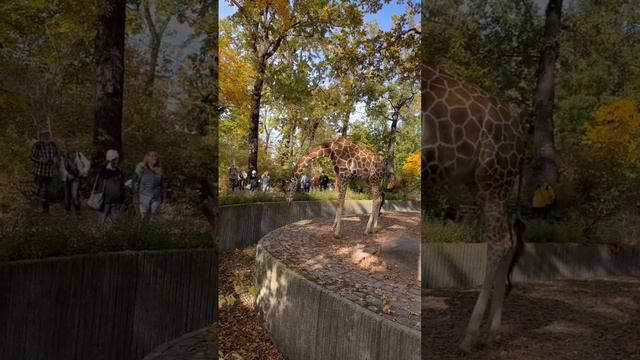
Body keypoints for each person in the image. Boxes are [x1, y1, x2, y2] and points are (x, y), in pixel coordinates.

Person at [30, 128, 59, 214]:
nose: (46, 137)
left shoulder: (53, 145)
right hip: (39, 171)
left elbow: (57, 155)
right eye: (44, 135)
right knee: (36, 190)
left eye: (47, 135)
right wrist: (40, 160)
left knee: (48, 192)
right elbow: (31, 156)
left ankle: (45, 210)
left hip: (49, 172)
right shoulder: (37, 145)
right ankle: (33, 208)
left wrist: (55, 160)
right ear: (41, 137)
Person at [59, 140, 90, 216]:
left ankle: (78, 210)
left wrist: (83, 172)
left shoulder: (79, 155)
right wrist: (67, 175)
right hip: (66, 178)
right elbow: (61, 168)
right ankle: (68, 211)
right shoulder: (63, 156)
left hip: (76, 178)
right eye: (68, 146)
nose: (70, 147)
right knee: (67, 196)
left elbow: (87, 163)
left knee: (74, 195)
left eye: (72, 145)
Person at [133, 151, 165, 223]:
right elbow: (135, 182)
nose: (154, 157)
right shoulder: (141, 167)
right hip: (143, 198)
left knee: (152, 219)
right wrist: (135, 195)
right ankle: (140, 233)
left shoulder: (159, 170)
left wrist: (163, 198)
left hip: (156, 199)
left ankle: (149, 234)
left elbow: (162, 186)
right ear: (147, 157)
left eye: (155, 156)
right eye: (151, 156)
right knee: (143, 218)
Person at [97, 149, 125, 225]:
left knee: (114, 223)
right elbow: (101, 171)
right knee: (101, 222)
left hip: (116, 202)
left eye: (117, 159)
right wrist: (108, 161)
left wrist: (122, 199)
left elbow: (121, 186)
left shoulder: (119, 170)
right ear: (111, 160)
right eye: (115, 159)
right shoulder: (105, 171)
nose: (117, 161)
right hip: (105, 202)